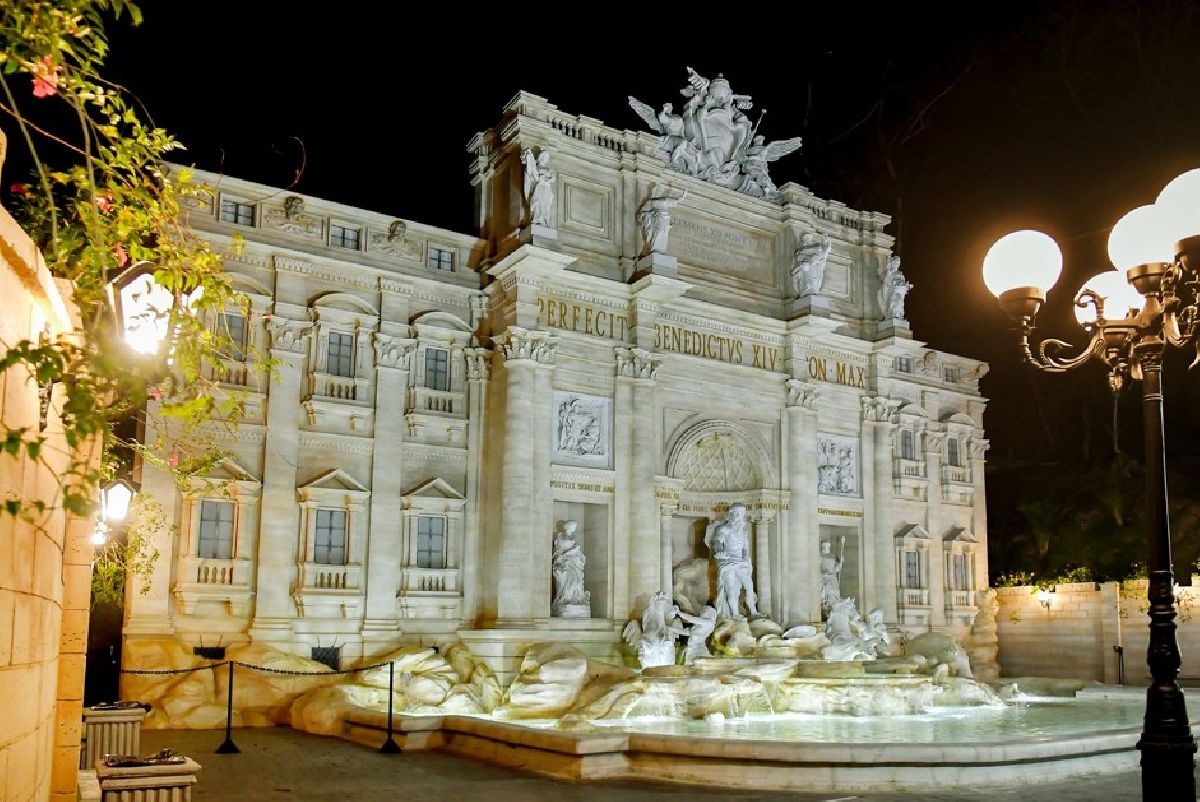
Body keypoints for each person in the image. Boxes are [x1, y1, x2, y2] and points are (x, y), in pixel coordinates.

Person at [704, 502, 758, 619]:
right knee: (731, 589)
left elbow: (745, 549)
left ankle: (753, 611)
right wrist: (720, 551)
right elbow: (718, 543)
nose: (740, 516)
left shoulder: (743, 532)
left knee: (749, 586)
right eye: (738, 513)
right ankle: (735, 613)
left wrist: (746, 561)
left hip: (741, 562)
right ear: (732, 514)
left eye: (742, 513)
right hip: (728, 561)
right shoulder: (724, 529)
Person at [819, 536, 846, 619]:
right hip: (823, 579)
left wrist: (840, 562)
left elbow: (837, 569)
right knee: (823, 594)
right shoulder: (819, 556)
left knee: (834, 594)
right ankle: (824, 608)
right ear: (822, 546)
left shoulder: (833, 556)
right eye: (825, 545)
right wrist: (823, 574)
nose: (826, 547)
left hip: (832, 578)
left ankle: (833, 610)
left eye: (828, 546)